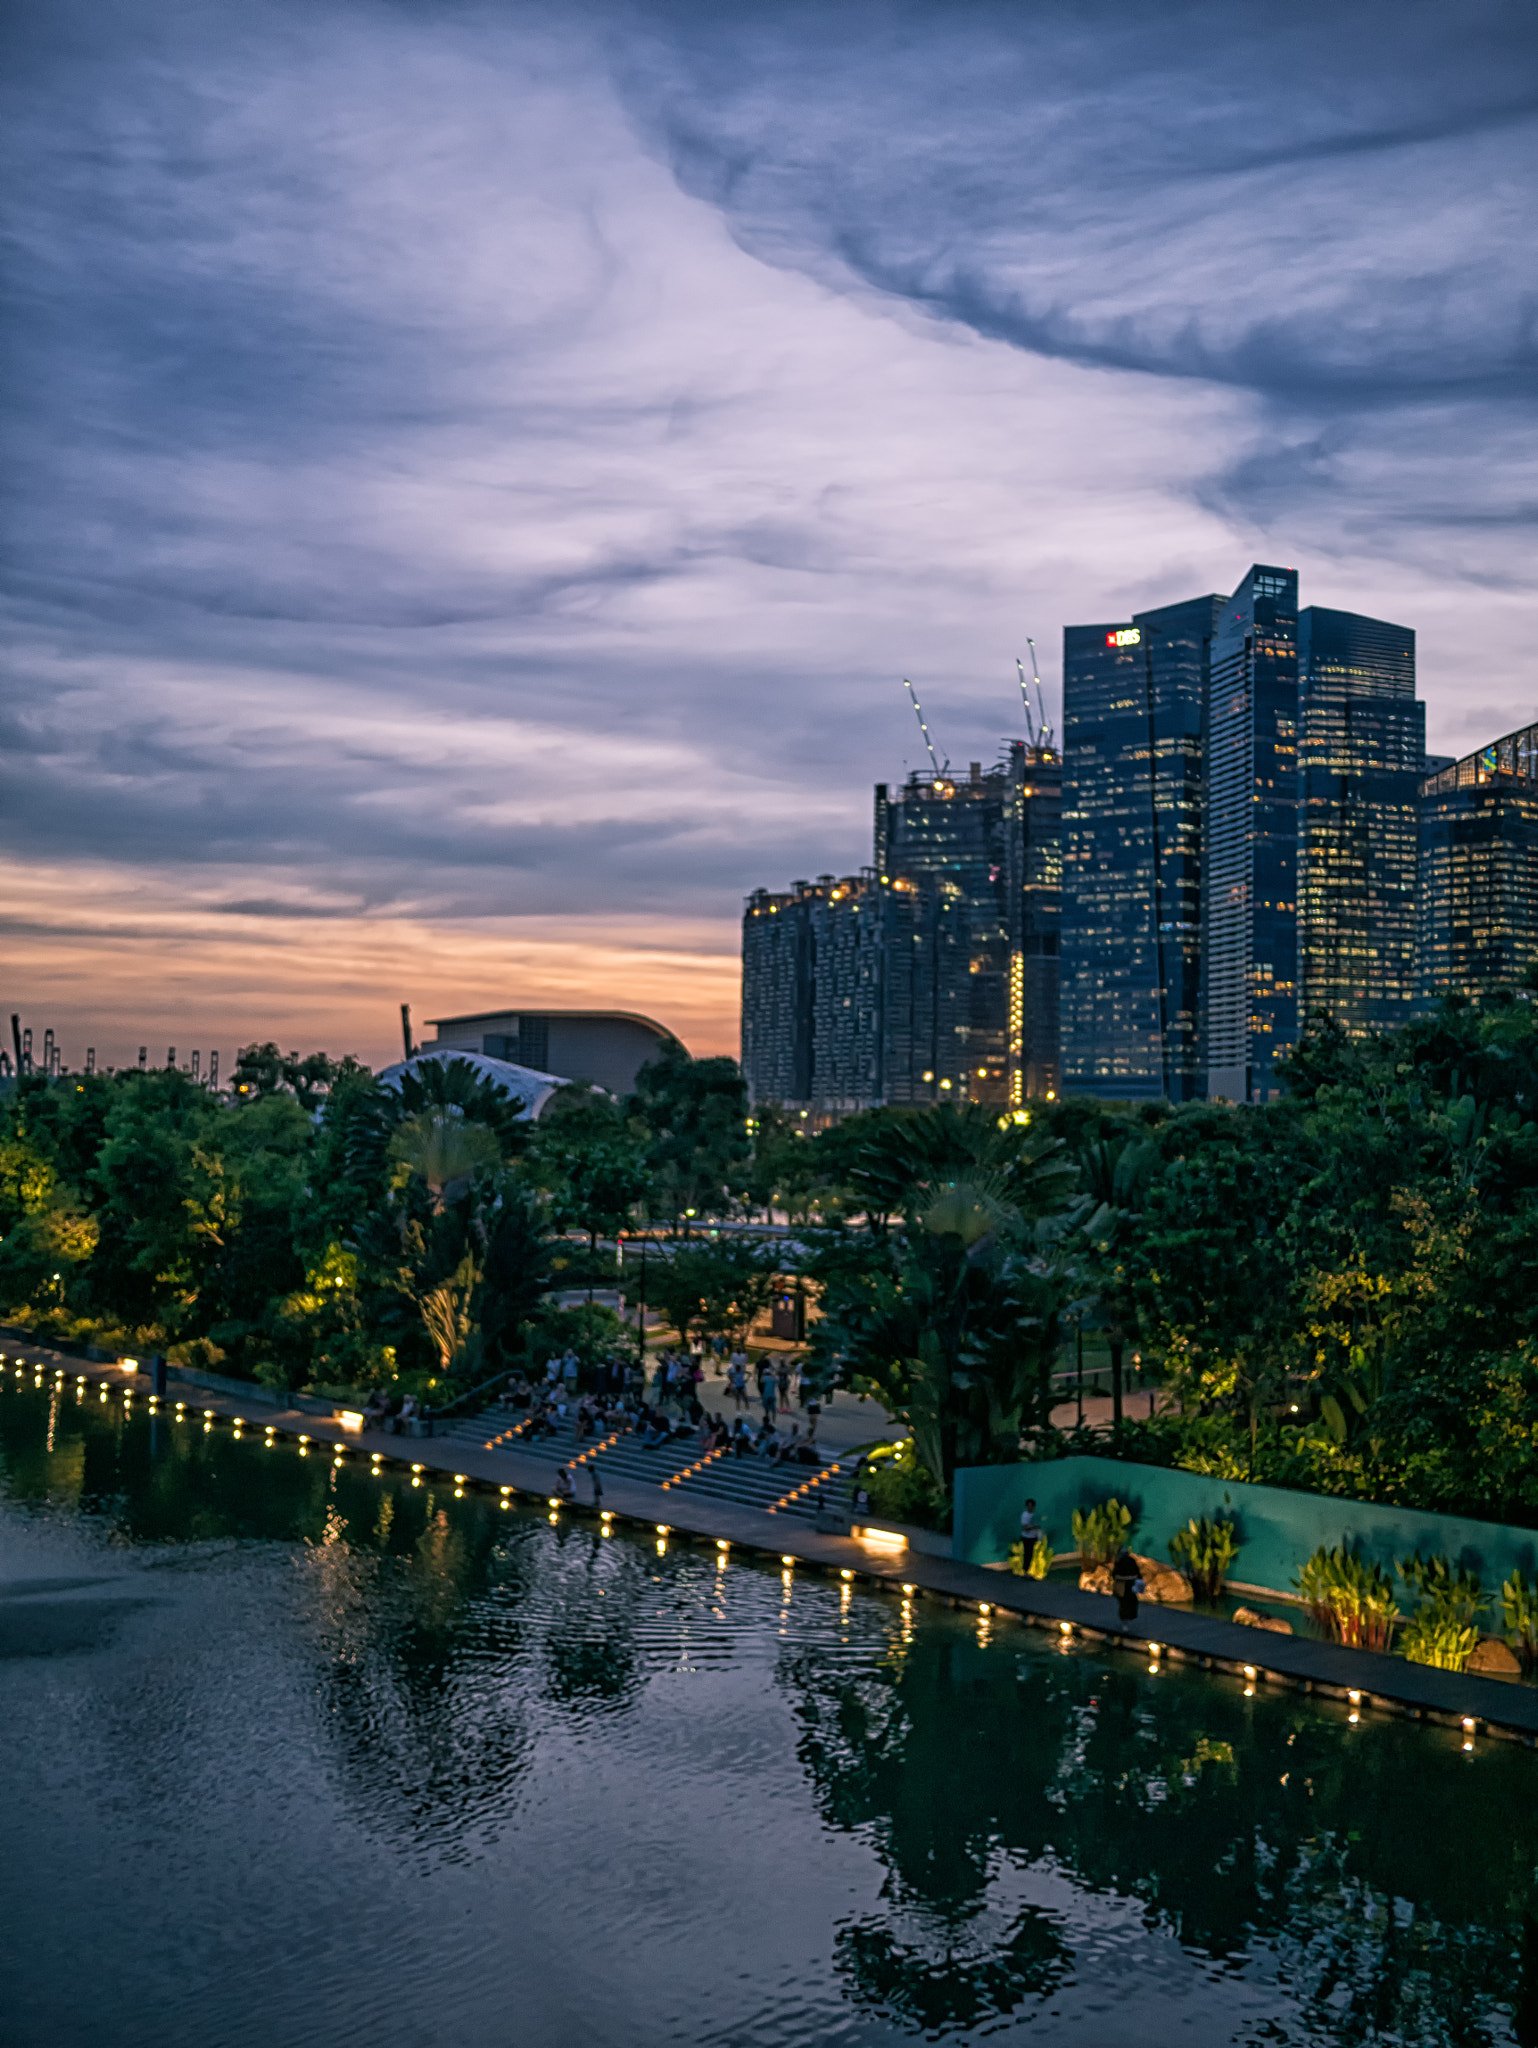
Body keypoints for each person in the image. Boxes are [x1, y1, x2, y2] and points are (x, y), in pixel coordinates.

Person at [1111, 1547, 1142, 1624]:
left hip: (1129, 1586)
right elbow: (1115, 1575)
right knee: (1125, 1604)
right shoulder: (1121, 1562)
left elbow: (1115, 1575)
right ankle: (1125, 1620)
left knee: (1130, 1603)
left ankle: (1127, 1619)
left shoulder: (1130, 1561)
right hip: (1124, 1586)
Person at [1019, 1498, 1041, 1576]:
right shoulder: (1025, 1515)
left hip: (1032, 1538)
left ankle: (1026, 1571)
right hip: (1026, 1538)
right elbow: (1025, 1528)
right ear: (1026, 1507)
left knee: (1030, 1554)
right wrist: (1035, 1527)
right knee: (1027, 1554)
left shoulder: (1033, 1515)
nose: (1030, 1508)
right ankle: (1025, 1571)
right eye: (1029, 1506)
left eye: (1032, 1506)